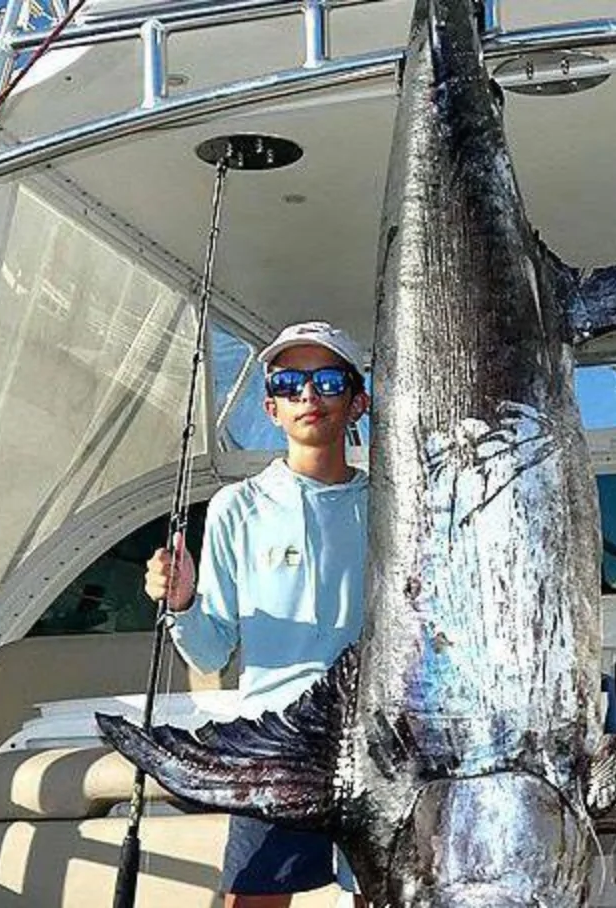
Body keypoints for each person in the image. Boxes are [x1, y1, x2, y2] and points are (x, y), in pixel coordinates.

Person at [145, 320, 371, 908]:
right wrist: (183, 604)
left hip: (374, 740)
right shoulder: (234, 508)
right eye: (290, 382)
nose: (309, 395)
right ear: (271, 407)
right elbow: (211, 651)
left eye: (327, 379)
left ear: (358, 400)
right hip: (275, 744)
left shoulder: (392, 503)